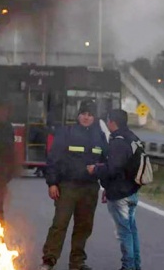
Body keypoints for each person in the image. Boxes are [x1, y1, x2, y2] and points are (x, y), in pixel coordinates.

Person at [39, 100, 108, 270]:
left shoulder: (100, 136)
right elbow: (53, 158)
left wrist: (106, 186)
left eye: (90, 114)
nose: (86, 117)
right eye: (83, 113)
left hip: (90, 189)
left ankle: (77, 262)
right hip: (67, 186)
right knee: (60, 224)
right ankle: (49, 259)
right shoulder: (66, 132)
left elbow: (106, 163)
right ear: (78, 115)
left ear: (95, 117)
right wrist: (52, 183)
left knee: (83, 227)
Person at [87, 109, 141, 270]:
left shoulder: (118, 141)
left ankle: (128, 267)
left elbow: (113, 168)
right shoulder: (132, 137)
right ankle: (135, 265)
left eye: (108, 120)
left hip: (120, 194)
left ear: (112, 122)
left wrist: (95, 170)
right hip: (132, 191)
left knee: (124, 233)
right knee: (132, 231)